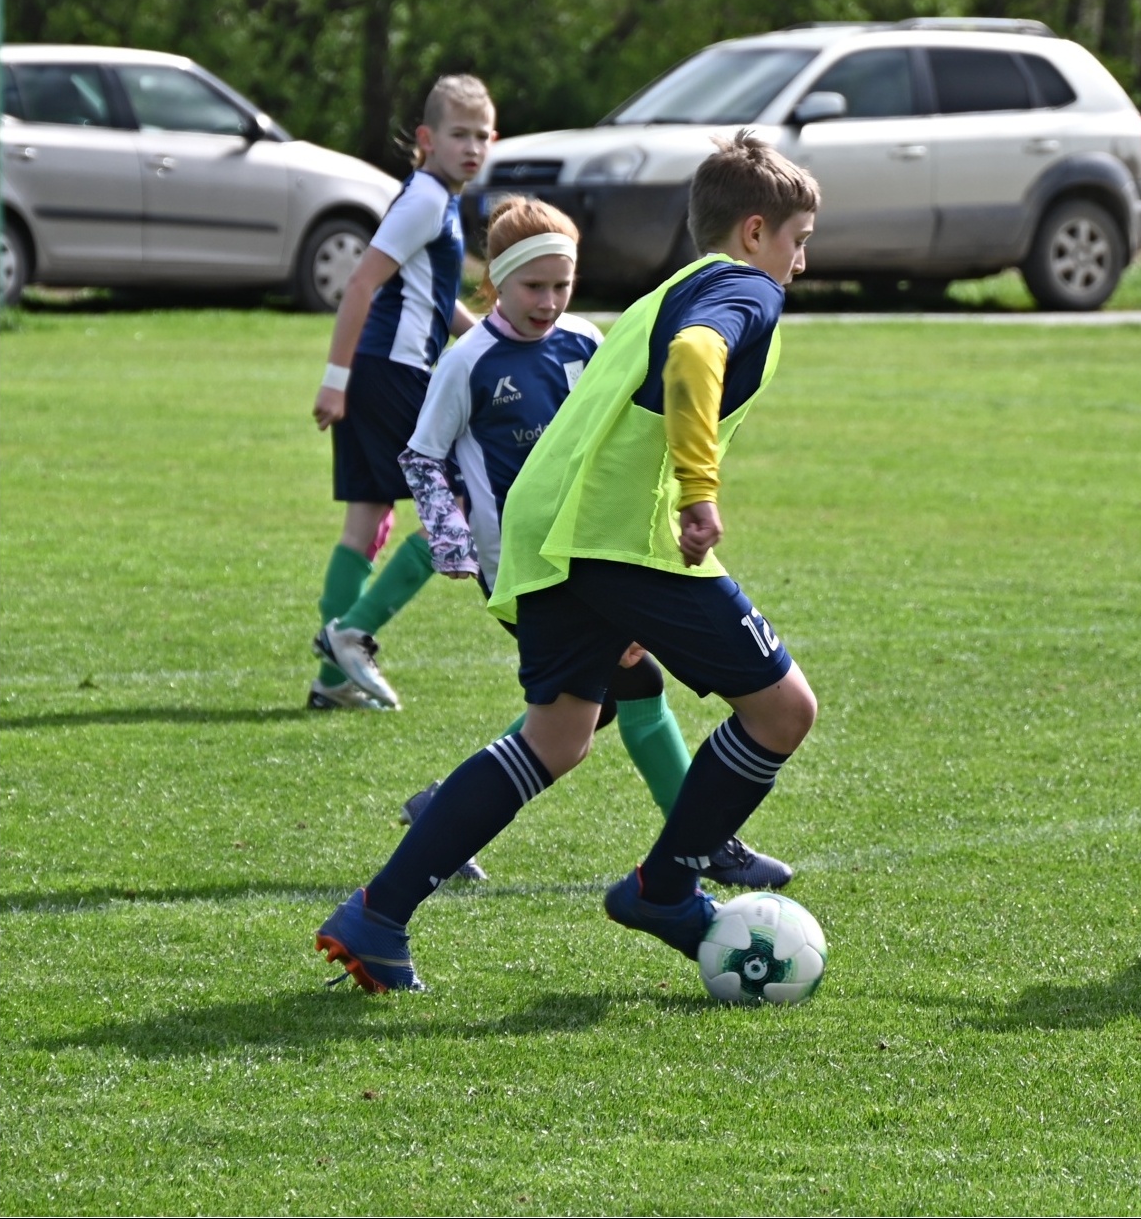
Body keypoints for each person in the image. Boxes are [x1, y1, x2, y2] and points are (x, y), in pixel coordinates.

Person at [317, 132, 820, 991]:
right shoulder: (746, 287)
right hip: (621, 538)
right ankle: (665, 890)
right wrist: (699, 490)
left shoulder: (670, 290)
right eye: (797, 241)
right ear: (753, 231)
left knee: (557, 737)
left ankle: (378, 915)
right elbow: (697, 357)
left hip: (549, 533)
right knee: (783, 712)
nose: (800, 263)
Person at [396, 193, 791, 889]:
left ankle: (443, 814)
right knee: (622, 692)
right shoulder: (469, 359)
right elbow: (423, 455)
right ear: (496, 283)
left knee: (583, 711)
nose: (549, 301)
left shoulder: (583, 339)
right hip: (528, 555)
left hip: (587, 540)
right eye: (533, 286)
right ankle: (702, 846)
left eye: (562, 285)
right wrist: (453, 542)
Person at [306, 74, 495, 712]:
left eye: (482, 136)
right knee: (459, 503)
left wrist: (492, 338)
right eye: (458, 135)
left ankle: (333, 681)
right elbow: (361, 283)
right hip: (392, 373)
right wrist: (335, 381)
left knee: (366, 520)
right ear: (427, 138)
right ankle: (352, 635)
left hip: (379, 371)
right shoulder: (425, 199)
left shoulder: (434, 198)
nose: (472, 147)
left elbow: (433, 302)